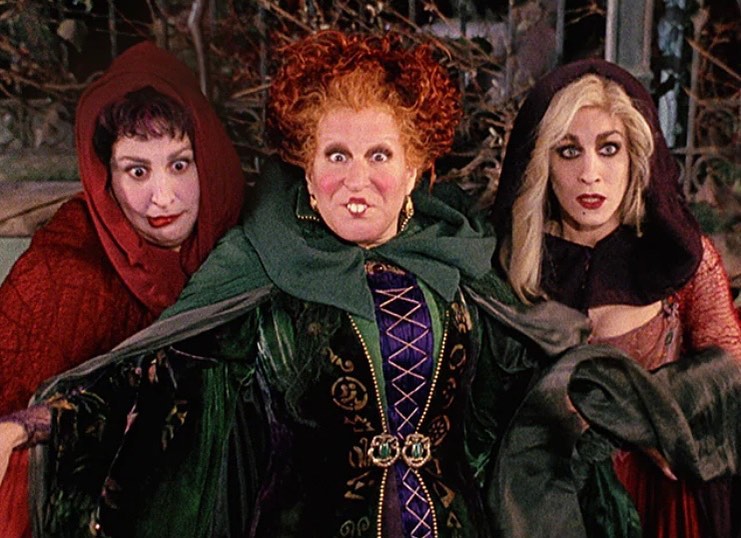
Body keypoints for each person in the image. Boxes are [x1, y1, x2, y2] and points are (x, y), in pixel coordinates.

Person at [14, 30, 596, 537]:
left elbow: (519, 402)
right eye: (336, 156)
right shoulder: (260, 261)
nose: (356, 180)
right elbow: (158, 375)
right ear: (309, 175)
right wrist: (33, 426)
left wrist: (598, 393)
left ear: (414, 170)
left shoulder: (460, 261)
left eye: (379, 155)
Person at [0, 41, 245, 537]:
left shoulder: (245, 251)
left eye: (180, 164)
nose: (163, 197)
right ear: (105, 179)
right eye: (137, 170)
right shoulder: (60, 279)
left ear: (209, 160)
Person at [491, 58, 741, 538]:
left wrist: (647, 419)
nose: (590, 173)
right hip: (543, 508)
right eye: (568, 151)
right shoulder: (510, 263)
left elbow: (728, 374)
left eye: (609, 148)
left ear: (635, 157)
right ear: (543, 162)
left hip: (661, 505)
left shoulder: (680, 257)